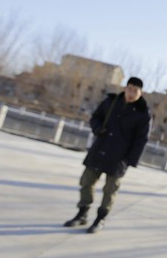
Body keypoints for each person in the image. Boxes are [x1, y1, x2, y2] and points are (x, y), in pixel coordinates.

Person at [64, 77, 151, 233]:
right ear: (125, 88)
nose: (131, 93)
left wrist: (129, 161)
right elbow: (96, 117)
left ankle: (100, 218)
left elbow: (141, 140)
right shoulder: (110, 102)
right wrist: (97, 129)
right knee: (86, 182)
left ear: (141, 93)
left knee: (110, 190)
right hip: (100, 149)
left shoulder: (143, 114)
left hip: (119, 158)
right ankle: (82, 213)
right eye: (130, 89)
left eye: (135, 91)